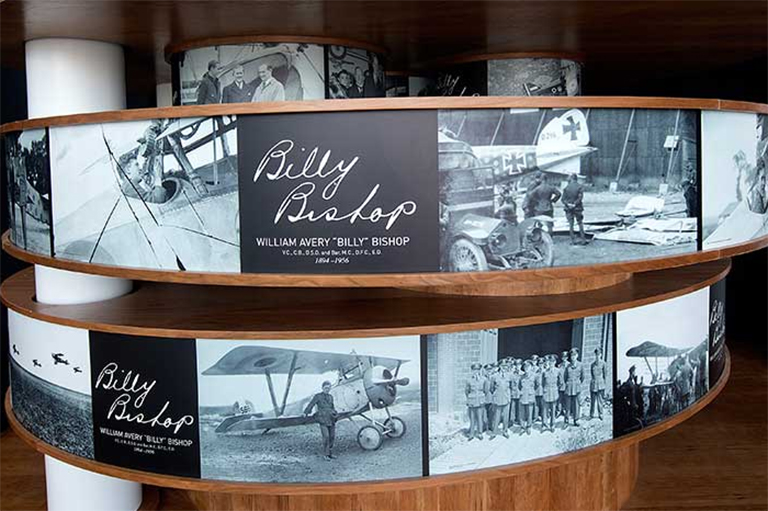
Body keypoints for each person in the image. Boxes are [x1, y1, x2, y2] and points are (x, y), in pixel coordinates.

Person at [303, 380, 338, 460]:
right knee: (326, 436)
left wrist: (335, 414)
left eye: (329, 388)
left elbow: (332, 407)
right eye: (326, 388)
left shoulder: (330, 397)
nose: (327, 389)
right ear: (322, 388)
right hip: (322, 419)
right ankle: (325, 455)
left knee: (332, 436)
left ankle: (330, 454)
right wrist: (306, 412)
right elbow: (311, 404)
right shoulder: (318, 396)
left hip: (331, 418)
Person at [562, 174, 586, 244]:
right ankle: (583, 239)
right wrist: (575, 204)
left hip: (568, 208)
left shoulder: (566, 187)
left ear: (571, 179)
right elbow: (580, 198)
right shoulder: (580, 187)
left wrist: (568, 204)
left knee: (571, 224)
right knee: (580, 223)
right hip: (577, 208)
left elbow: (563, 199)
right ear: (576, 179)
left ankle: (573, 240)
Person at [490, 361, 512, 438]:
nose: (504, 368)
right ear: (499, 367)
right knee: (496, 416)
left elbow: (511, 387)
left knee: (506, 417)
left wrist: (509, 396)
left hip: (506, 398)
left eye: (505, 366)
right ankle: (494, 432)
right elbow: (491, 388)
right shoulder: (494, 376)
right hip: (498, 398)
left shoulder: (509, 376)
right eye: (502, 366)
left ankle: (505, 431)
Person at [465, 363, 486, 440]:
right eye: (474, 370)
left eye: (478, 370)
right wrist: (470, 398)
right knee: (472, 418)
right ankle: (471, 433)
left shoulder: (484, 379)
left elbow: (486, 390)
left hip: (480, 400)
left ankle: (479, 433)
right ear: (472, 371)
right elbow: (467, 391)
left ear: (480, 370)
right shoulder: (469, 380)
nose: (476, 371)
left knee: (480, 418)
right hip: (472, 401)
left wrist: (482, 397)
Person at [564, 348, 585, 427]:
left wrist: (577, 383)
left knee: (576, 404)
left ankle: (576, 420)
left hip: (577, 387)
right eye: (572, 355)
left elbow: (583, 377)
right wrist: (569, 383)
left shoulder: (581, 365)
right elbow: (565, 377)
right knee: (568, 404)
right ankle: (566, 420)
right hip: (569, 387)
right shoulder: (567, 366)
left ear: (577, 356)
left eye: (575, 355)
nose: (573, 357)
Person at [541, 355, 561, 432]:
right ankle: (544, 425)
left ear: (555, 362)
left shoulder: (557, 371)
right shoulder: (545, 372)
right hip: (546, 392)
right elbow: (543, 383)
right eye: (550, 362)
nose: (551, 363)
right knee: (545, 409)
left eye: (552, 362)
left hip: (554, 392)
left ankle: (552, 425)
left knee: (553, 409)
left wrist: (556, 389)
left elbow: (560, 382)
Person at [518, 360, 537, 435]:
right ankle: (522, 427)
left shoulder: (534, 376)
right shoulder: (521, 377)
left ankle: (529, 426)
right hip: (523, 396)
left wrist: (532, 392)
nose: (526, 368)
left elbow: (537, 385)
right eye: (525, 367)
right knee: (522, 412)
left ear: (531, 367)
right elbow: (519, 386)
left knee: (530, 412)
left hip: (530, 396)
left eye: (528, 367)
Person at [590, 348, 607, 420]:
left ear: (601, 355)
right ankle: (591, 414)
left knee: (600, 400)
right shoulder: (592, 364)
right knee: (593, 400)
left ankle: (601, 414)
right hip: (594, 383)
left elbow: (605, 375)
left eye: (598, 354)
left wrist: (604, 384)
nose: (597, 356)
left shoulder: (603, 364)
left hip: (600, 384)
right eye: (596, 355)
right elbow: (591, 374)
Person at [509, 359, 522, 426]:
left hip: (520, 393)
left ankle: (519, 419)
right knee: (513, 407)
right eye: (516, 365)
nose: (518, 366)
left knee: (520, 407)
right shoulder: (512, 374)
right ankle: (512, 420)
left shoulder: (522, 374)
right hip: (513, 393)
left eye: (519, 365)